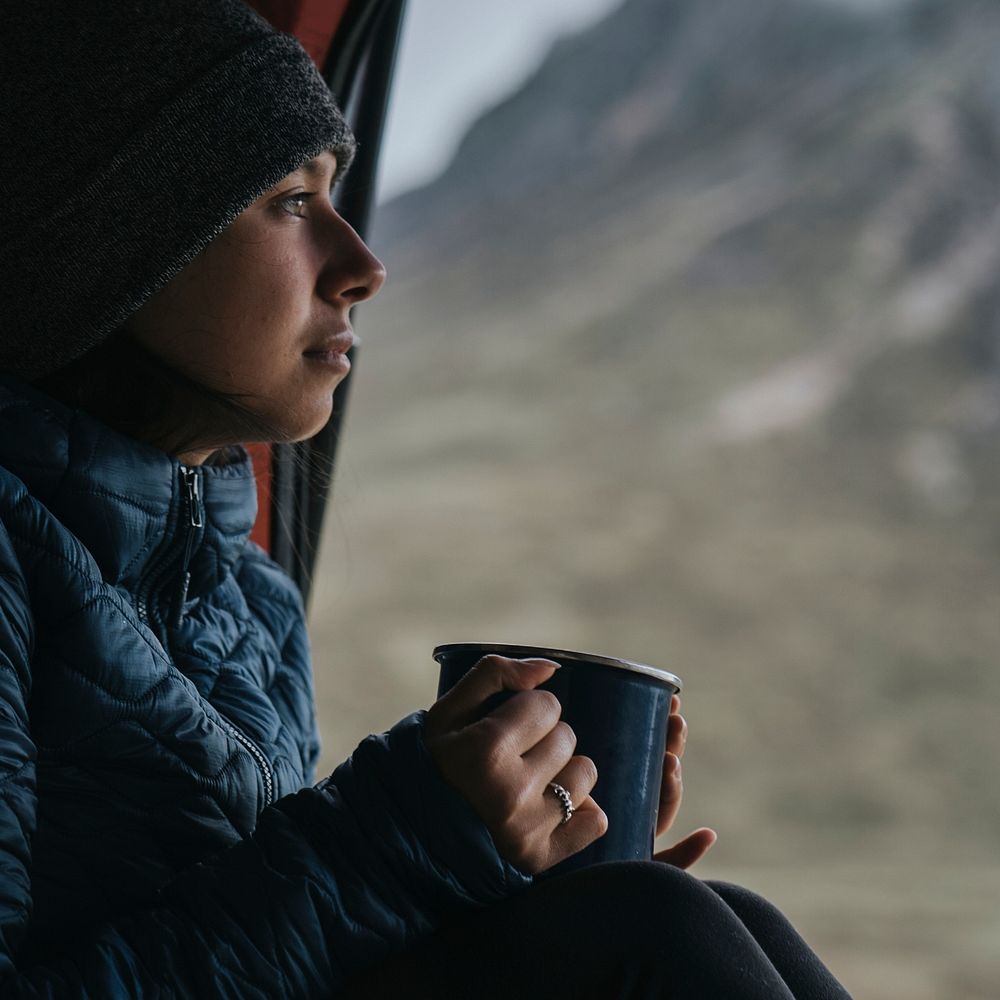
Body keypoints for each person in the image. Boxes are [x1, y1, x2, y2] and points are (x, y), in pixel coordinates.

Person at [0, 2, 852, 996]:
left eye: (337, 196)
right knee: (645, 926)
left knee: (700, 915)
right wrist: (405, 837)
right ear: (117, 236)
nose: (362, 266)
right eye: (287, 199)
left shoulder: (249, 593)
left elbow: (269, 937)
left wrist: (498, 870)